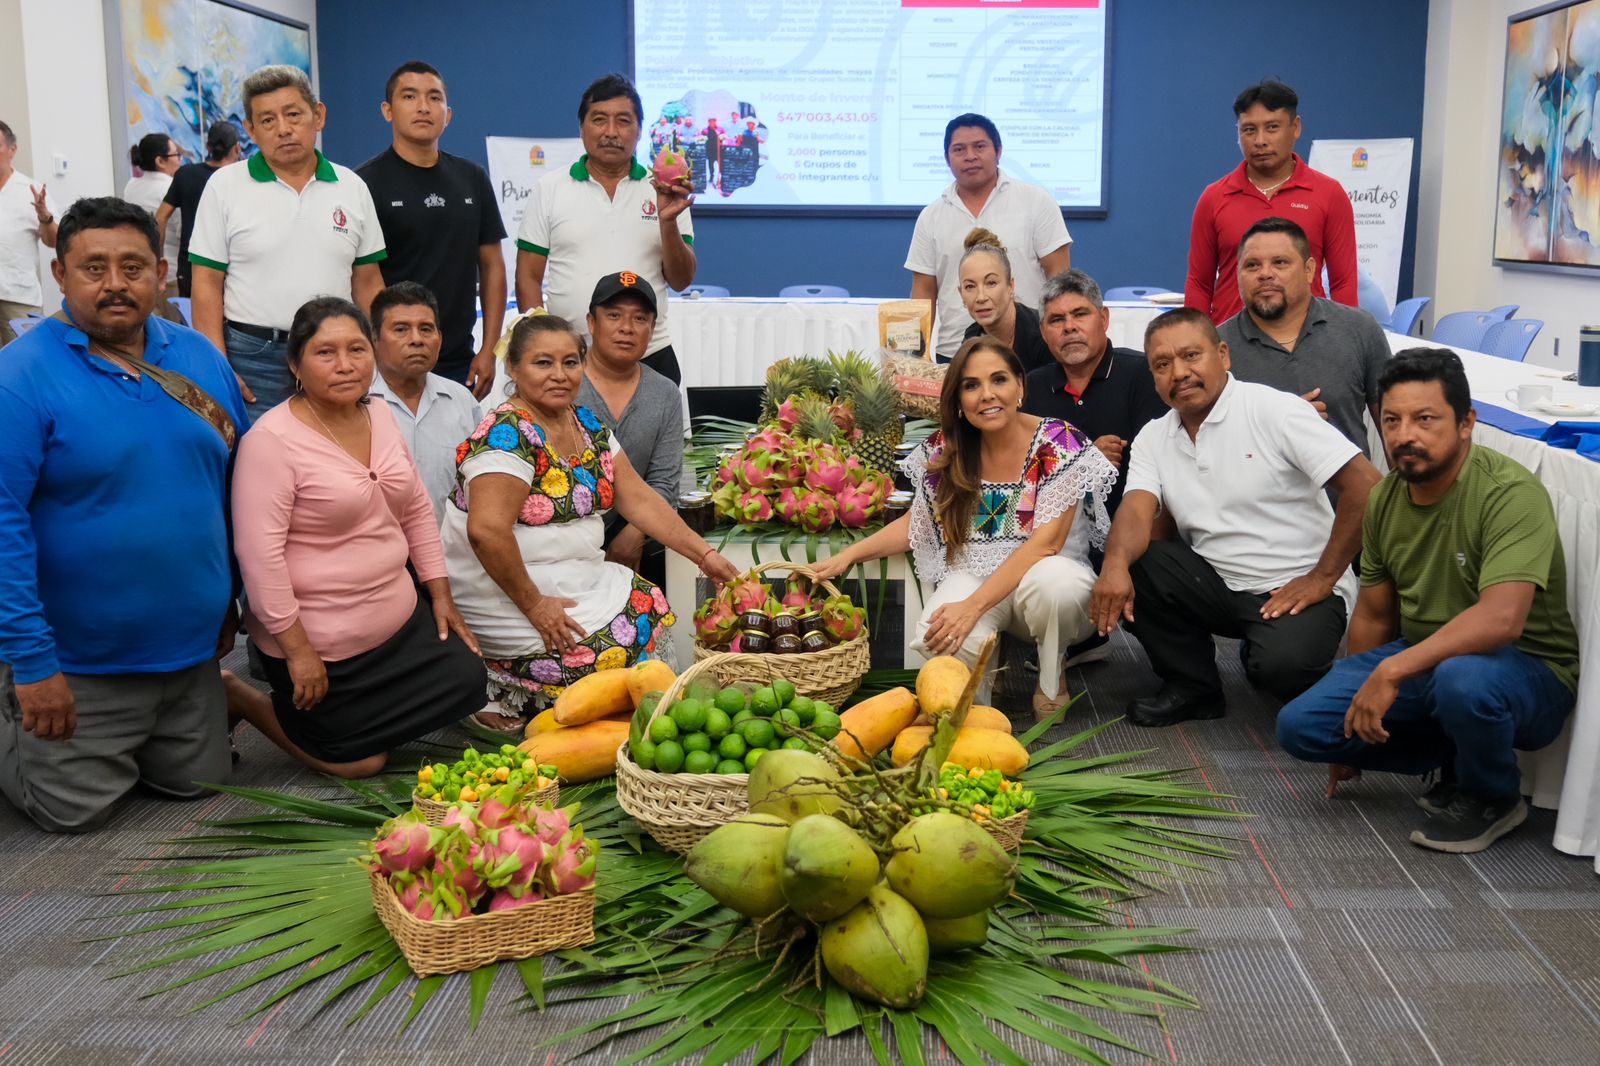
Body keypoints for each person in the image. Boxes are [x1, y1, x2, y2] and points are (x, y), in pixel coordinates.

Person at [0, 197, 248, 831]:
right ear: (59, 275)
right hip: (78, 661)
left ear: (159, 275)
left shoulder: (200, 358)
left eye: (133, 266)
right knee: (72, 814)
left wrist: (230, 601)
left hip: (190, 655)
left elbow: (237, 490)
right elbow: (4, 527)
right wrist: (32, 665)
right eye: (93, 268)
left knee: (202, 789)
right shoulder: (20, 378)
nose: (115, 284)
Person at [1277, 349, 1579, 854]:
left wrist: (1390, 674)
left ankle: (1493, 796)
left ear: (1466, 424)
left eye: (1425, 419)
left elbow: (1503, 620)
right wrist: (1359, 707)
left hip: (1526, 669)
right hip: (1429, 662)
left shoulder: (1509, 493)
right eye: (1391, 421)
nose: (1404, 436)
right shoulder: (1385, 497)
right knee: (1301, 727)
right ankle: (1459, 754)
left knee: (1462, 679)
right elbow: (1374, 613)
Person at [438, 312, 738, 732]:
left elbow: (640, 500)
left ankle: (620, 723)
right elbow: (486, 533)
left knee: (648, 600)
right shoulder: (505, 434)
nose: (559, 375)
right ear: (514, 368)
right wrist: (536, 606)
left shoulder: (586, 423)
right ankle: (498, 691)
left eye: (570, 362)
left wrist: (705, 556)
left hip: (573, 578)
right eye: (543, 363)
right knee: (603, 653)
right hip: (504, 593)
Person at [228, 297, 484, 778]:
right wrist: (300, 652)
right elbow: (258, 558)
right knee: (362, 764)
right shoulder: (271, 441)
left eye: (357, 349)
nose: (345, 365)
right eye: (325, 353)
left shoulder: (380, 415)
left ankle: (365, 715)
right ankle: (240, 695)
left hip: (396, 621)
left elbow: (413, 512)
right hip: (319, 641)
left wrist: (440, 595)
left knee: (469, 676)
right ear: (294, 364)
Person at [1090, 309, 1382, 727]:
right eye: (1163, 364)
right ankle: (1193, 688)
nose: (1180, 373)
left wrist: (1322, 577)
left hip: (1297, 584)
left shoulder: (1275, 410)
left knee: (1283, 672)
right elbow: (1136, 510)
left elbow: (1368, 486)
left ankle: (1273, 650)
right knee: (1123, 559)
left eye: (1192, 355)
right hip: (1217, 582)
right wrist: (1115, 567)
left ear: (1223, 355)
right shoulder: (1155, 435)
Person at [814, 336, 1118, 720]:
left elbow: (1045, 546)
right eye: (971, 385)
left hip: (1044, 583)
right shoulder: (946, 448)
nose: (987, 395)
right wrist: (847, 556)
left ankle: (1051, 672)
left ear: (1021, 386)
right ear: (957, 399)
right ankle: (979, 705)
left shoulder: (1058, 442)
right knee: (937, 631)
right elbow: (918, 524)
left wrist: (971, 608)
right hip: (976, 575)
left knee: (1055, 585)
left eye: (999, 380)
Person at [188, 65, 387, 420]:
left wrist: (374, 354)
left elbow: (368, 282)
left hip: (336, 354)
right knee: (256, 468)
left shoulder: (352, 187)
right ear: (250, 129)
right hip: (253, 359)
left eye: (293, 114)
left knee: (336, 462)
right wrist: (217, 368)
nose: (283, 129)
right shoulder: (224, 186)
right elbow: (206, 284)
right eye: (267, 120)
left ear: (318, 115)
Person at [515, 74, 695, 385]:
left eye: (623, 121)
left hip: (650, 354)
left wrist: (667, 221)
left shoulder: (665, 189)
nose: (611, 132)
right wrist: (545, 346)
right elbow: (528, 277)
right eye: (599, 120)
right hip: (572, 359)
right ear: (581, 127)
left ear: (639, 130)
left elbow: (681, 280)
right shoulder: (550, 188)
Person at [358, 60, 507, 398]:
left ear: (448, 114)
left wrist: (490, 349)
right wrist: (380, 351)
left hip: (459, 359)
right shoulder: (363, 184)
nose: (424, 107)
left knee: (455, 451)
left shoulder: (472, 178)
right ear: (387, 110)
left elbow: (493, 266)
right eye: (409, 97)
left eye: (434, 98)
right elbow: (363, 279)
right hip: (390, 363)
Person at [1185, 80, 1357, 324]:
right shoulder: (1213, 198)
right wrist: (1196, 341)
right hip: (1232, 344)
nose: (1260, 140)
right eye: (1249, 130)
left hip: (1308, 342)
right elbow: (1199, 283)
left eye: (1272, 127)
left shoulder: (1329, 194)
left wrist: (1345, 339)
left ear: (1295, 127)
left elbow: (1344, 281)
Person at [1219, 217, 1390, 454]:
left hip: (1348, 490)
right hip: (1255, 491)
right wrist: (1279, 423)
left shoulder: (1360, 329)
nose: (1265, 274)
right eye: (1252, 266)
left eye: (1280, 263)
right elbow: (1205, 444)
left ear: (1309, 270)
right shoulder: (1217, 348)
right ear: (1238, 274)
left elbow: (1396, 430)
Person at [906, 113, 1072, 359]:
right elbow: (923, 292)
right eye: (959, 149)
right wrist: (915, 358)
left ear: (999, 151)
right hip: (955, 352)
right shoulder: (930, 217)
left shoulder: (1036, 201)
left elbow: (1060, 280)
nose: (970, 156)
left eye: (980, 146)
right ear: (947, 159)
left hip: (1030, 350)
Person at [1023, 270, 1169, 517]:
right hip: (1053, 536)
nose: (1069, 327)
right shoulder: (1031, 388)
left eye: (1080, 314)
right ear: (1043, 331)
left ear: (1104, 319)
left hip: (1133, 530)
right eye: (1056, 320)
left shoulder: (1144, 376)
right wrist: (1086, 461)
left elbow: (1161, 476)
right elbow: (1023, 478)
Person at [575, 272, 684, 575]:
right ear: (591, 322)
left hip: (639, 532)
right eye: (614, 316)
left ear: (652, 329)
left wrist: (635, 533)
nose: (626, 328)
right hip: (564, 537)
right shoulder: (564, 384)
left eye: (640, 319)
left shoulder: (665, 394)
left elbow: (665, 481)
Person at [367, 281, 483, 518]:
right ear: (374, 340)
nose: (416, 340)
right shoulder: (357, 402)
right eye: (401, 329)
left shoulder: (461, 400)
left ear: (439, 339)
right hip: (378, 549)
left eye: (426, 329)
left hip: (449, 549)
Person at [156, 122, 241, 299]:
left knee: (190, 323)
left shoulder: (185, 174)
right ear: (237, 149)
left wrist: (158, 258)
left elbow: (160, 218)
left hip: (190, 267)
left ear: (208, 147)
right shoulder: (239, 179)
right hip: (232, 269)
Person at [957, 228, 1051, 374]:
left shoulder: (1043, 333)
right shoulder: (972, 336)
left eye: (991, 283)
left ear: (1010, 286)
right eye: (970, 286)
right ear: (960, 293)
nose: (981, 297)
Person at [0, 119, 59, 346]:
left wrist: (45, 216)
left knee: (24, 359)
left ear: (12, 150)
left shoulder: (29, 189)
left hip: (18, 295)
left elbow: (53, 241)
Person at [122, 133, 184, 291]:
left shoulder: (132, 185)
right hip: (170, 275)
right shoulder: (172, 187)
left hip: (140, 273)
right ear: (160, 161)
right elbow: (182, 233)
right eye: (176, 155)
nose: (179, 160)